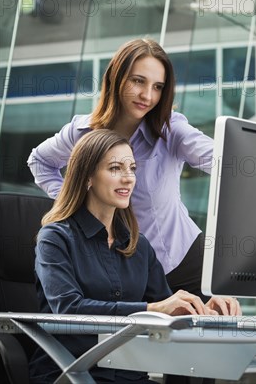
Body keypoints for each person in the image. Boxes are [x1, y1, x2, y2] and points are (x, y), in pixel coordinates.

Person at [29, 129, 240, 383]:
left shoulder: (138, 246)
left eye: (132, 168)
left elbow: (168, 311)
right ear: (87, 177)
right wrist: (151, 308)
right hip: (72, 373)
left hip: (130, 375)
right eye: (116, 168)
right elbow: (69, 309)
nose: (129, 178)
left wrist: (205, 312)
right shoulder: (55, 238)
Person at [28, 38, 214, 298]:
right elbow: (39, 161)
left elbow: (219, 159)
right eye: (138, 81)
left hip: (182, 262)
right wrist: (76, 203)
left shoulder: (171, 130)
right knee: (135, 337)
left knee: (217, 332)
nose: (147, 96)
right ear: (116, 78)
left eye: (157, 87)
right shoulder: (81, 132)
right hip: (127, 270)